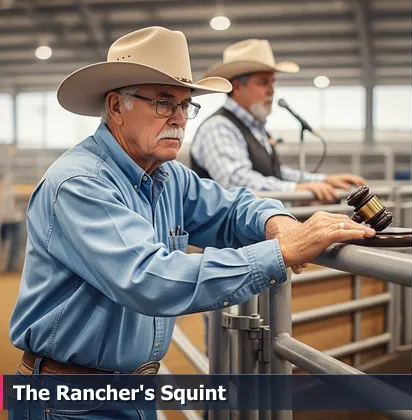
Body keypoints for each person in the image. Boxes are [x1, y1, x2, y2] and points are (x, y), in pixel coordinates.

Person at [7, 26, 374, 419]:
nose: (181, 119)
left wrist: (276, 222)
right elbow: (148, 278)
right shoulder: (81, 184)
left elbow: (232, 206)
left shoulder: (168, 175)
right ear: (116, 107)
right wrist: (281, 252)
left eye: (186, 106)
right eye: (165, 103)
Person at [189, 38, 367, 203]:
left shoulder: (254, 128)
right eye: (263, 82)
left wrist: (323, 180)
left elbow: (275, 173)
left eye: (272, 83)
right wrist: (296, 189)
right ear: (237, 87)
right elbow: (236, 180)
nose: (271, 90)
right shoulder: (219, 127)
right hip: (223, 236)